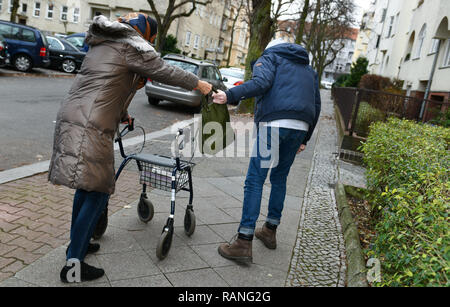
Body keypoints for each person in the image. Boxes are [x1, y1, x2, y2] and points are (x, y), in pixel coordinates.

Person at [48, 13, 212, 283]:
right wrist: (198, 83)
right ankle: (73, 265)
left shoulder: (106, 42)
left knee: (87, 186)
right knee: (99, 190)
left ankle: (79, 244)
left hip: (77, 115)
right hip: (92, 123)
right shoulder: (131, 45)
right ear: (146, 34)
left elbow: (110, 83)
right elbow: (165, 70)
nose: (152, 42)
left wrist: (122, 112)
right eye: (153, 37)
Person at [212, 38, 321, 263]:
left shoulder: (270, 57)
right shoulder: (308, 69)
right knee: (279, 178)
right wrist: (305, 137)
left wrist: (229, 95)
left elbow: (261, 83)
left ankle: (243, 241)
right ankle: (270, 230)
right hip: (300, 126)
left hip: (273, 125)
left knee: (255, 179)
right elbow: (316, 104)